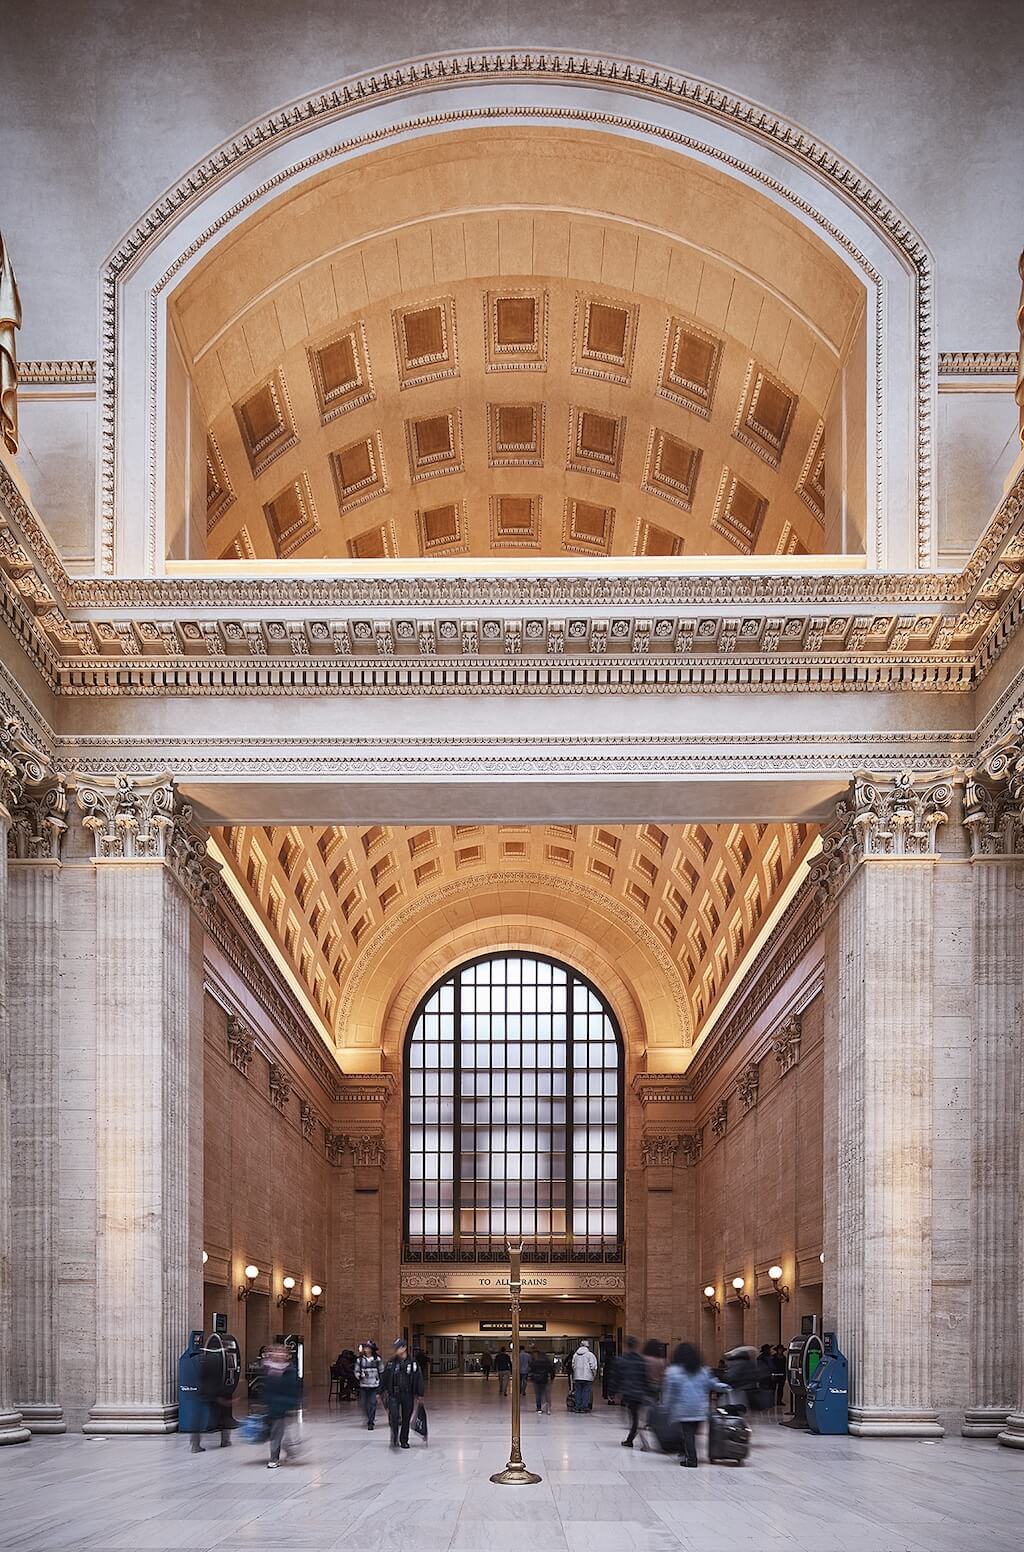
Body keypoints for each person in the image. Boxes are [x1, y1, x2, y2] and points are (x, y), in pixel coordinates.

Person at [663, 1342, 728, 1467]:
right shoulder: (703, 1370)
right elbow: (713, 1384)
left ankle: (692, 1459)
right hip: (700, 1410)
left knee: (687, 1434)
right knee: (691, 1434)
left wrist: (666, 1406)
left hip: (683, 1409)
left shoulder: (673, 1371)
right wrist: (725, 1387)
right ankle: (685, 1452)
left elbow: (670, 1392)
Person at [262, 1343, 303, 1469]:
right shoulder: (267, 1369)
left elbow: (295, 1389)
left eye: (282, 1353)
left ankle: (273, 1459)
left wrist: (293, 1403)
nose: (279, 1355)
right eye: (276, 1352)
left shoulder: (290, 1370)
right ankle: (290, 1451)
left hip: (282, 1406)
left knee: (276, 1433)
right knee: (278, 1432)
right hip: (271, 1405)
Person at [381, 1337, 424, 1449]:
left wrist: (420, 1394)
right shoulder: (391, 1363)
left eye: (398, 1348)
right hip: (394, 1394)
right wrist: (379, 1391)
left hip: (407, 1394)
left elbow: (418, 1378)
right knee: (394, 1417)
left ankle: (404, 1440)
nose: (396, 1350)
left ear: (404, 1348)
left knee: (406, 1418)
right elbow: (384, 1377)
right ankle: (394, 1438)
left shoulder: (413, 1363)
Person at [616, 1336, 652, 1449]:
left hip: (629, 1393)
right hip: (640, 1393)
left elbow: (618, 1378)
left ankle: (635, 1440)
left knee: (635, 1418)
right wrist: (648, 1392)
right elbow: (645, 1378)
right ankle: (631, 1439)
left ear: (627, 1346)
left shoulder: (623, 1360)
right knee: (636, 1418)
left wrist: (615, 1392)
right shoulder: (641, 1360)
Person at [355, 1339, 382, 1430]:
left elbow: (381, 1371)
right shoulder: (360, 1360)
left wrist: (381, 1385)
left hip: (374, 1385)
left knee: (372, 1403)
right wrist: (360, 1376)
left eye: (367, 1347)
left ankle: (371, 1422)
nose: (366, 1349)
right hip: (364, 1385)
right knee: (365, 1404)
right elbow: (356, 1371)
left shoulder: (377, 1359)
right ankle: (369, 1417)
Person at [571, 1339, 598, 1412]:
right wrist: (594, 1375)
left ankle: (577, 1407)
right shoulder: (590, 1355)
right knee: (586, 1392)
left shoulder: (575, 1355)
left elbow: (573, 1366)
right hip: (587, 1377)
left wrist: (576, 1373)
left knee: (578, 1392)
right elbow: (593, 1366)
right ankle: (584, 1407)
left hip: (577, 1377)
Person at [528, 1347, 553, 1413]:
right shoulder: (547, 1362)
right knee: (546, 1394)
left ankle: (539, 1408)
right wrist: (552, 1378)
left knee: (538, 1394)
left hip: (536, 1379)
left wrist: (531, 1377)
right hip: (544, 1379)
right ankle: (547, 1408)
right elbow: (551, 1370)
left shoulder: (534, 1362)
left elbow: (530, 1370)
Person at [772, 1344, 787, 1410]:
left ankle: (779, 1401)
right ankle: (772, 1401)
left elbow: (785, 1366)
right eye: (779, 1350)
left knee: (780, 1389)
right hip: (775, 1374)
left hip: (782, 1375)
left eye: (781, 1350)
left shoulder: (784, 1357)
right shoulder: (773, 1357)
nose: (780, 1351)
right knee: (773, 1388)